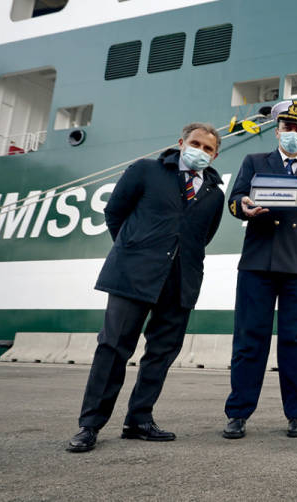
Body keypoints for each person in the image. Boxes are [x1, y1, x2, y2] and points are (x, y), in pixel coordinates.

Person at [66, 123, 225, 452]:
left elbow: (203, 236)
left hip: (180, 281)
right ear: (181, 143)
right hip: (132, 276)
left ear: (215, 154)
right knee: (113, 349)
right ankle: (90, 425)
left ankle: (139, 419)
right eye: (195, 143)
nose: (201, 151)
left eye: (208, 148)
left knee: (161, 354)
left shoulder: (215, 192)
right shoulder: (146, 170)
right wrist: (135, 250)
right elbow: (115, 213)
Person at [222, 100, 297, 439]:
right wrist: (244, 208)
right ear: (277, 131)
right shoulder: (255, 162)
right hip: (258, 263)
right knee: (248, 341)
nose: (293, 134)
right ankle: (238, 414)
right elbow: (236, 200)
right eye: (287, 128)